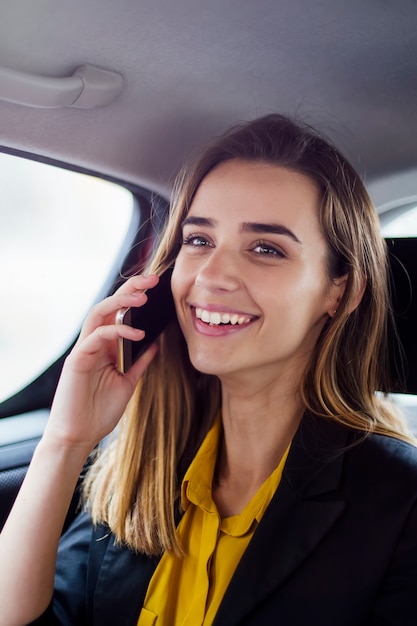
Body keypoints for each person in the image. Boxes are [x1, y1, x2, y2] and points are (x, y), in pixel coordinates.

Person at [1, 114, 417, 626]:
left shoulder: (401, 504)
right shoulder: (139, 467)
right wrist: (65, 442)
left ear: (341, 291)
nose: (212, 275)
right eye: (198, 240)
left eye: (266, 248)